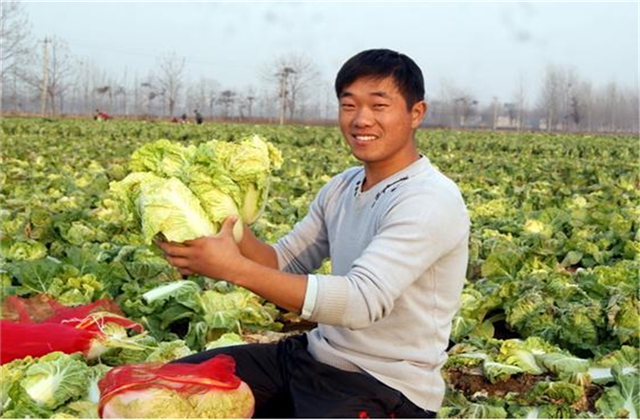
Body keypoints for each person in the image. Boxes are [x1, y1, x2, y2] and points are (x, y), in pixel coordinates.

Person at [158, 49, 470, 418]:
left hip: (385, 387)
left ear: (416, 113)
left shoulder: (429, 199)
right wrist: (228, 233)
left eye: (379, 105)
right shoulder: (343, 187)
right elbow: (283, 261)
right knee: (165, 389)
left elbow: (360, 302)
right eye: (349, 105)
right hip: (312, 358)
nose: (361, 119)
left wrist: (233, 268)